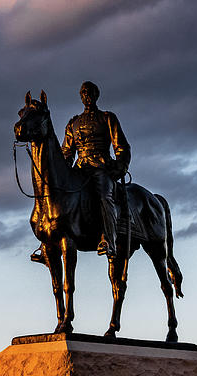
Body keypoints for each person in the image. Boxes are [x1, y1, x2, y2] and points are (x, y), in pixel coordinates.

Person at [62, 81, 131, 258]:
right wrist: (63, 171)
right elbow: (67, 152)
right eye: (84, 93)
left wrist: (120, 167)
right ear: (81, 96)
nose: (87, 96)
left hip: (101, 167)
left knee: (104, 196)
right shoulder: (73, 123)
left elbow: (121, 147)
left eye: (90, 93)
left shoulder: (107, 118)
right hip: (80, 169)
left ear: (96, 95)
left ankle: (108, 240)